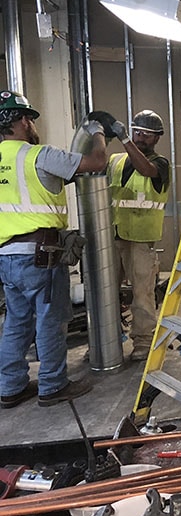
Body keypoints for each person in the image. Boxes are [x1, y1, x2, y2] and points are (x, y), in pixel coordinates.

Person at [0, 91, 108, 408]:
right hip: (40, 255)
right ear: (23, 121)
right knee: (51, 320)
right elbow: (97, 162)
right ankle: (52, 385)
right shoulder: (39, 155)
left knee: (16, 322)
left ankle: (10, 387)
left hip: (7, 257)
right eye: (30, 119)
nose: (33, 124)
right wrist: (99, 133)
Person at [107, 110, 170, 362]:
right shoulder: (116, 160)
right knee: (105, 291)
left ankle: (143, 341)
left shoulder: (161, 163)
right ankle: (107, 340)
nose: (141, 137)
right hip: (112, 236)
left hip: (141, 239)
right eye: (137, 132)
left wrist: (124, 139)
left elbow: (146, 170)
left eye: (147, 134)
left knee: (142, 294)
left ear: (157, 138)